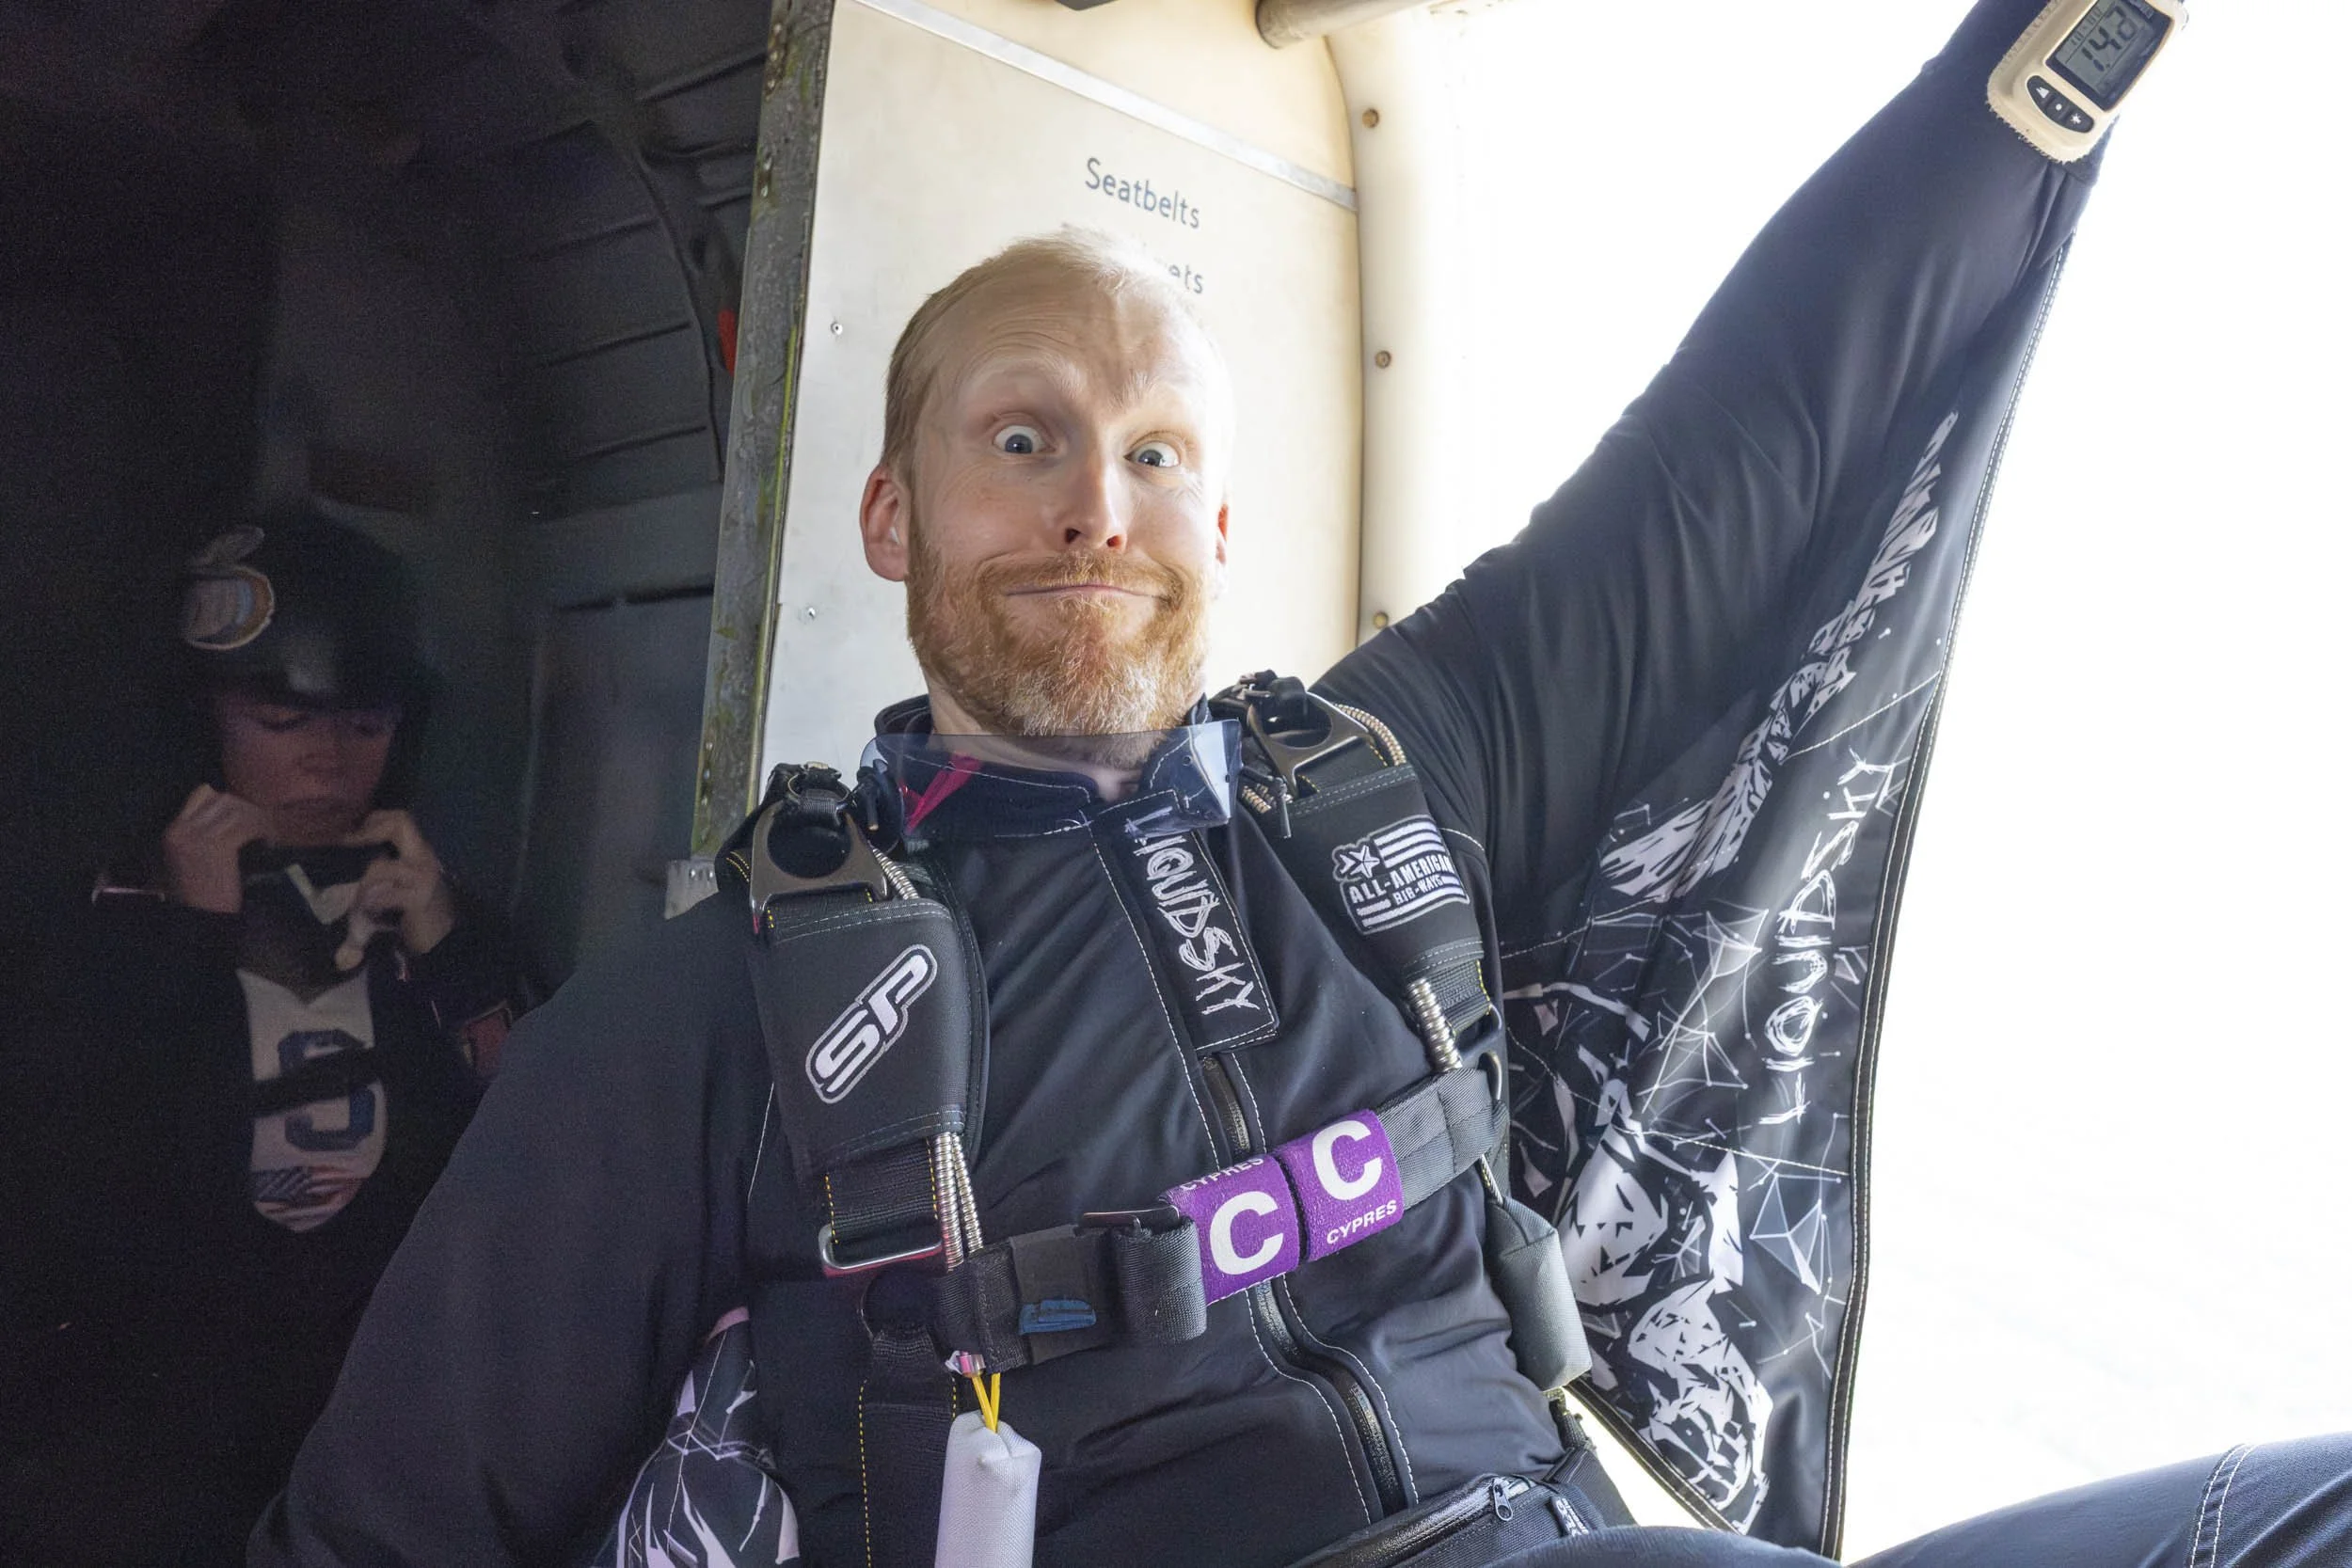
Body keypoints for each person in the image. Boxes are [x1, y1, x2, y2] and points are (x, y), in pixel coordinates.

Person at [252, 4, 2351, 1566]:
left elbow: (1750, 432)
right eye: (1022, 437)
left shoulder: (1382, 791)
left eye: (1155, 451)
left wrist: (2057, 48)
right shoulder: (710, 1020)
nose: (1097, 503)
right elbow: (379, 1528)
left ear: (1222, 527)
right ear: (892, 517)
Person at [0, 512, 537, 1567]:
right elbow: (74, 1176)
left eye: (364, 725)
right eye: (283, 721)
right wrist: (188, 935)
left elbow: (537, 1157)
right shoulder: (102, 909)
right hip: (146, 1425)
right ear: (204, 718)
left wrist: (453, 955)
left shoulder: (434, 909)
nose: (327, 762)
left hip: (359, 1409)